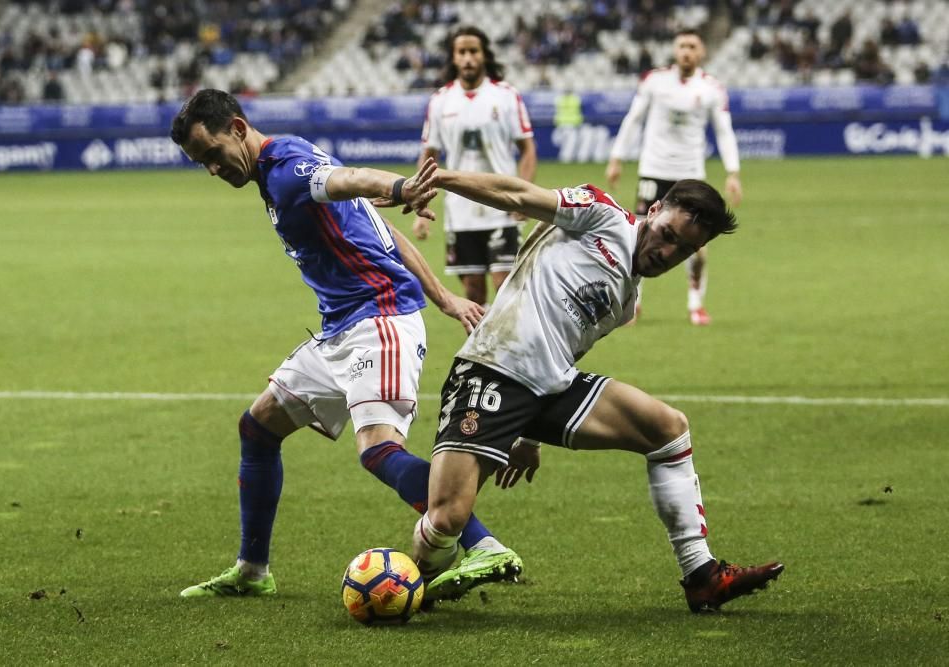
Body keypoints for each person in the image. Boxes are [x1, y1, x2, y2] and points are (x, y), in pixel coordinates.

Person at [168, 89, 523, 599]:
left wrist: (402, 187)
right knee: (258, 428)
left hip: (378, 321)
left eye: (213, 155)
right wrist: (444, 296)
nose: (212, 170)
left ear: (239, 129)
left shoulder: (289, 169)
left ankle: (484, 544)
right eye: (201, 163)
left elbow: (353, 179)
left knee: (378, 450)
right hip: (340, 327)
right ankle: (252, 572)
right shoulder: (279, 164)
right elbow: (376, 227)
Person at [407, 162, 784, 612]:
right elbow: (515, 194)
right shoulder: (601, 214)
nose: (668, 252)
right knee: (448, 515)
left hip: (551, 388)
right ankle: (417, 583)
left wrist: (527, 434)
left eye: (684, 250)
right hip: (491, 370)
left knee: (668, 429)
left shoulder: (628, 299)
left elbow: (571, 350)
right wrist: (440, 180)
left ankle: (701, 575)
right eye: (667, 234)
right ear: (655, 208)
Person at [606, 29, 742, 326]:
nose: (686, 51)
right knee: (640, 237)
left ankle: (695, 303)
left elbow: (724, 131)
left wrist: (733, 172)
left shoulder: (711, 89)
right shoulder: (654, 81)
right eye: (682, 45)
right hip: (653, 170)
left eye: (692, 46)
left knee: (697, 248)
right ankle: (633, 302)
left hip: (691, 175)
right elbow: (634, 119)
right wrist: (617, 157)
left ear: (701, 52)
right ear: (674, 49)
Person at [414, 25, 537, 307]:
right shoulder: (440, 101)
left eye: (473, 51)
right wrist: (421, 208)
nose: (468, 57)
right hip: (461, 210)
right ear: (453, 58)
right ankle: (479, 349)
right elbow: (429, 155)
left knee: (505, 284)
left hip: (501, 204)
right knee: (473, 291)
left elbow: (527, 149)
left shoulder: (506, 96)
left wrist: (524, 196)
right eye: (462, 52)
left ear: (484, 56)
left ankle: (510, 349)